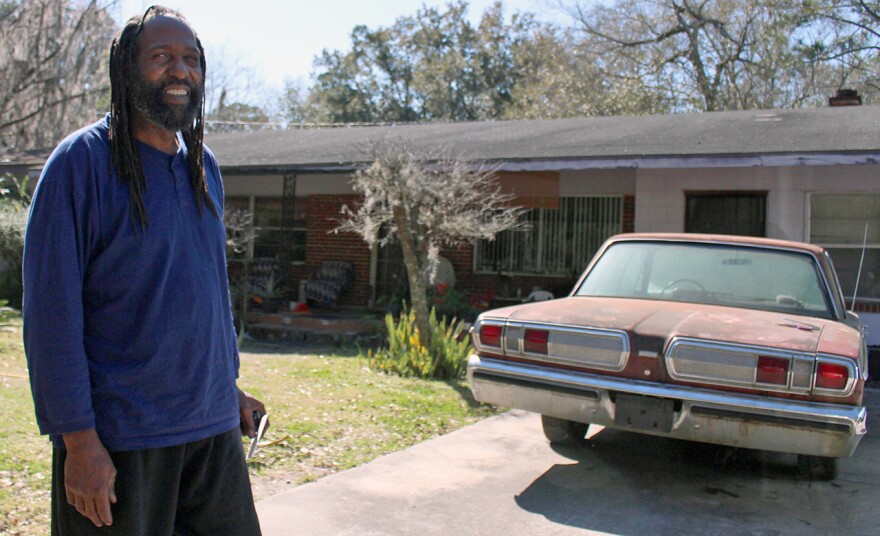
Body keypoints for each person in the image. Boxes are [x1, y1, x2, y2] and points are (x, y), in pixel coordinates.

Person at [22, 6, 265, 535]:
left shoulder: (204, 167)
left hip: (210, 434)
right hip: (122, 442)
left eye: (191, 59)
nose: (180, 70)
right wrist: (79, 441)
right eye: (161, 57)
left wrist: (229, 389)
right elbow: (49, 317)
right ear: (126, 70)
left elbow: (205, 290)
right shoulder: (81, 164)